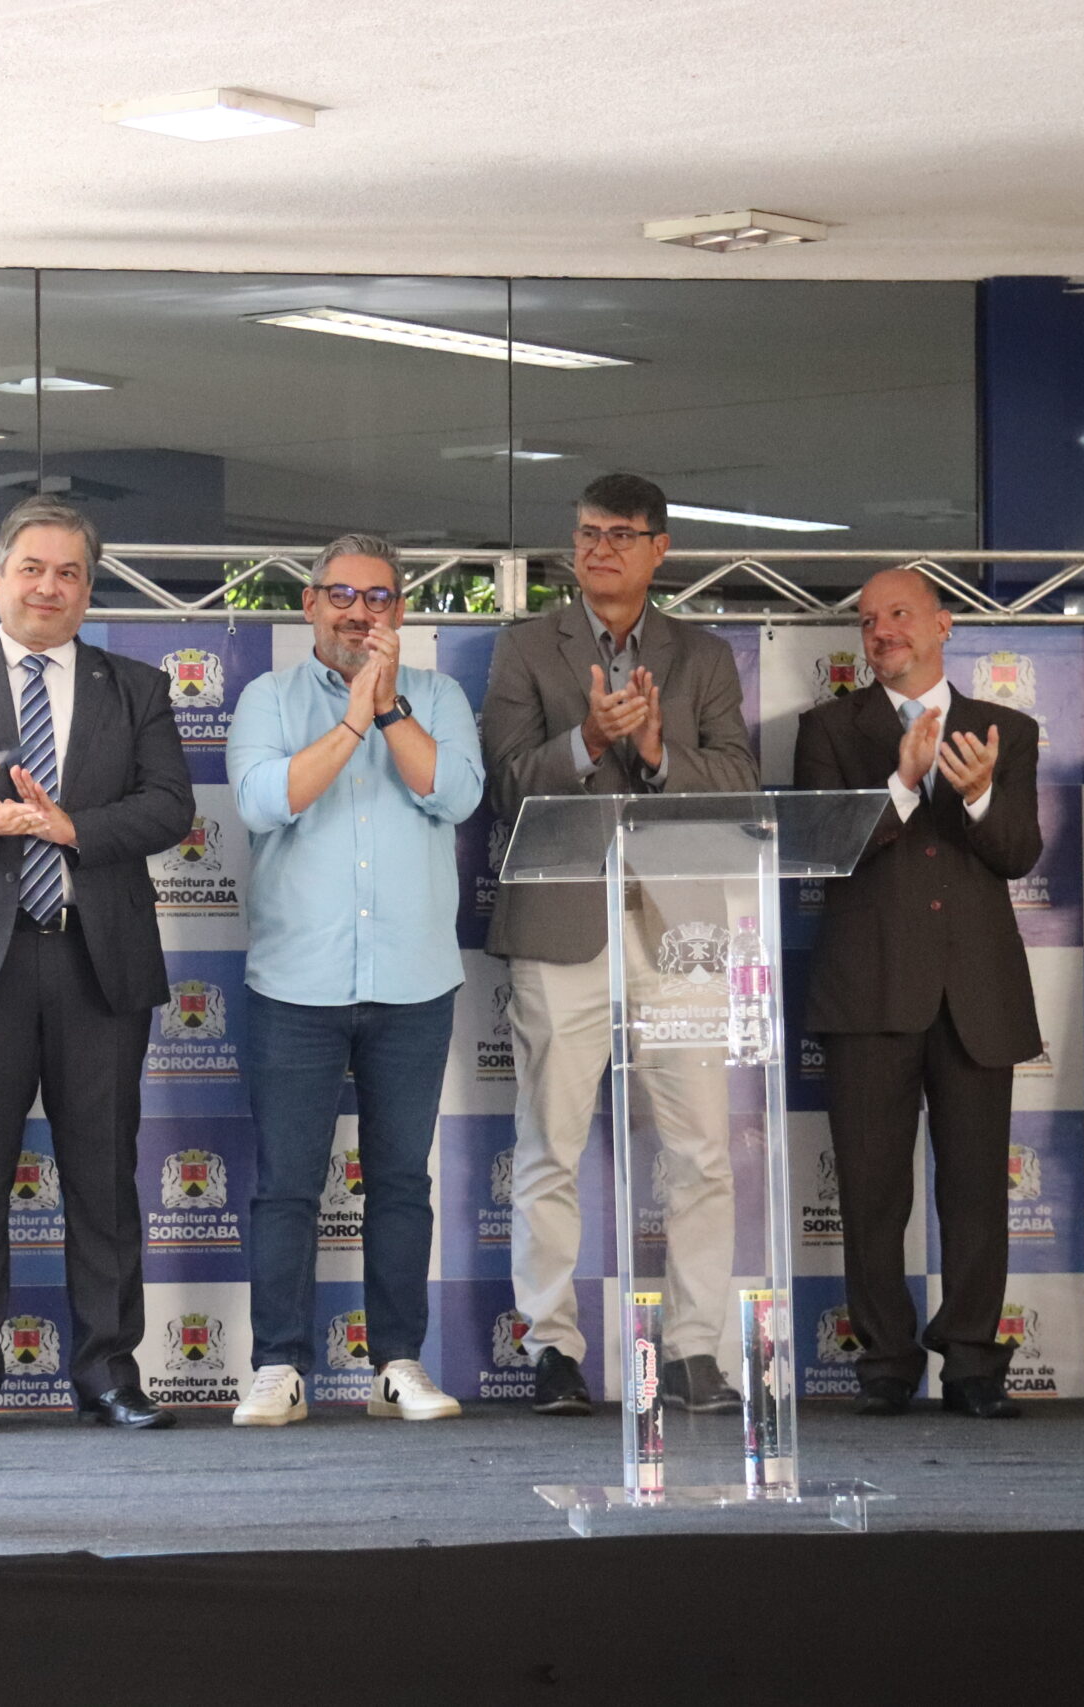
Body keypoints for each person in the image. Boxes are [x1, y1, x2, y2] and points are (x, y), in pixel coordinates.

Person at [0, 496, 194, 1434]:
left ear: (89, 590)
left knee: (104, 1179)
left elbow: (170, 806)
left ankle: (107, 1372)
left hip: (97, 959)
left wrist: (72, 828)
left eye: (68, 573)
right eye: (32, 568)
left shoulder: (136, 687)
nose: (48, 587)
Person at [480, 473, 761, 1417]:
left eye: (619, 535)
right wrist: (588, 741)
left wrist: (655, 756)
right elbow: (504, 785)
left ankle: (693, 1349)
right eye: (587, 533)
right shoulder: (527, 646)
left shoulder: (703, 655)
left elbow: (739, 783)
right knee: (549, 1147)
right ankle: (552, 1348)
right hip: (560, 923)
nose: (598, 549)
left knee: (702, 1151)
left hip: (679, 931)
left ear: (658, 549)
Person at [225, 536, 485, 1426]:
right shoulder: (268, 698)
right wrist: (349, 722)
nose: (359, 612)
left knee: (401, 1180)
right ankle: (279, 1366)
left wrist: (389, 707)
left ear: (399, 612)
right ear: (309, 605)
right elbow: (265, 800)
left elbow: (456, 794)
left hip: (413, 979)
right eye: (341, 595)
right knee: (286, 1183)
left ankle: (397, 1364)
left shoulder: (439, 697)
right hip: (295, 982)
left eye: (377, 598)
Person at [793, 567, 1043, 1421]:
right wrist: (902, 785)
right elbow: (826, 850)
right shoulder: (829, 729)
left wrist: (976, 794)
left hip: (977, 995)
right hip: (868, 992)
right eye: (868, 620)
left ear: (944, 624)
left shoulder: (1008, 730)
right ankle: (886, 1363)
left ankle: (973, 1362)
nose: (882, 631)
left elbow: (1019, 852)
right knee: (871, 1194)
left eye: (899, 613)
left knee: (976, 1191)